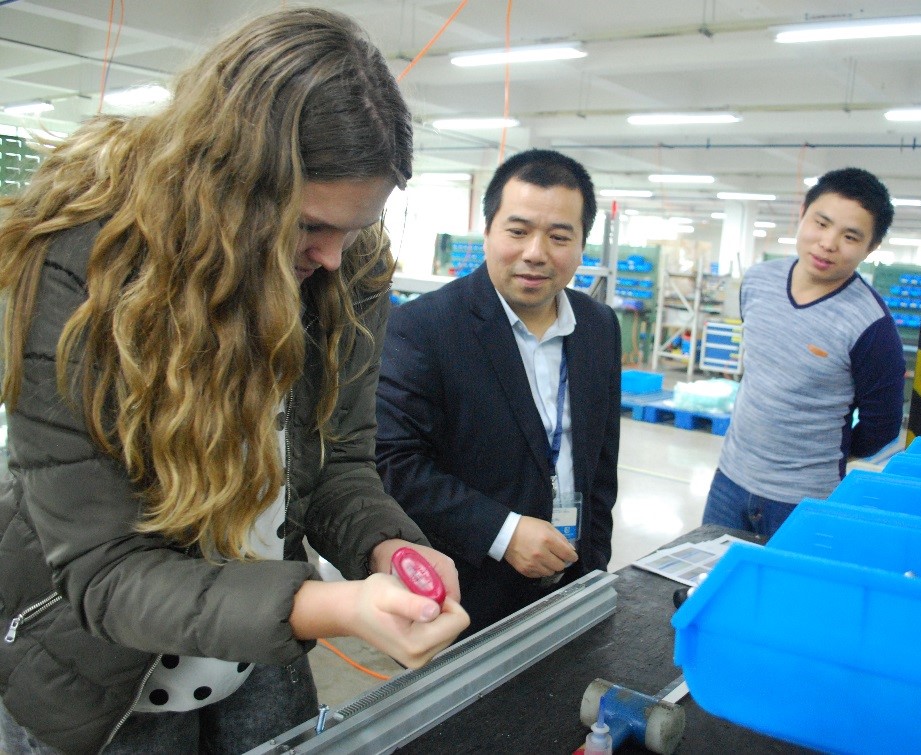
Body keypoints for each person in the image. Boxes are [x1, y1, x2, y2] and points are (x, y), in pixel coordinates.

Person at [0, 9, 469, 754]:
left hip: (259, 653)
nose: (336, 258)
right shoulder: (79, 267)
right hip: (95, 680)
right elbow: (107, 574)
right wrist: (328, 605)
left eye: (357, 227)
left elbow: (337, 461)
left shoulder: (343, 267)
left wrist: (385, 546)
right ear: (233, 190)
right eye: (311, 227)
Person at [374, 149, 620, 636]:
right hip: (467, 591)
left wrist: (594, 566)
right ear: (487, 231)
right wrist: (502, 531)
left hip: (574, 576)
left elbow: (600, 464)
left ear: (581, 244)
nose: (535, 252)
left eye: (559, 236)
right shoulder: (425, 328)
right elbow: (393, 462)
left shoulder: (598, 327)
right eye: (518, 230)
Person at [704, 167, 905, 539]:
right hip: (730, 479)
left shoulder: (872, 327)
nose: (828, 243)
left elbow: (883, 426)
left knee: (789, 595)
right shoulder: (759, 281)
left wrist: (818, 456)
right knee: (716, 585)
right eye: (822, 223)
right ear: (802, 214)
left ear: (870, 247)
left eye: (850, 236)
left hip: (805, 499)